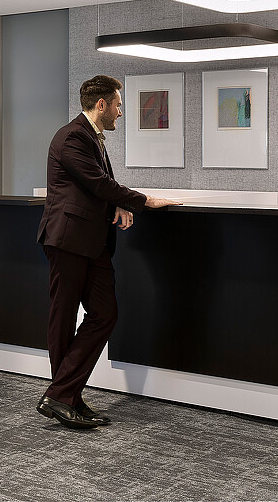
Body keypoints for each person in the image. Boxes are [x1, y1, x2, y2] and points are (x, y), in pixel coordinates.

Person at [35, 74, 180, 429]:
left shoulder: (92, 137)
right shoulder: (72, 136)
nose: (120, 112)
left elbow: (96, 189)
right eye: (117, 105)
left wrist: (116, 206)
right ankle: (65, 396)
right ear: (101, 104)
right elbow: (97, 182)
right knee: (64, 317)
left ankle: (62, 393)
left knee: (105, 313)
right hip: (68, 239)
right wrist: (142, 200)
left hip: (93, 241)